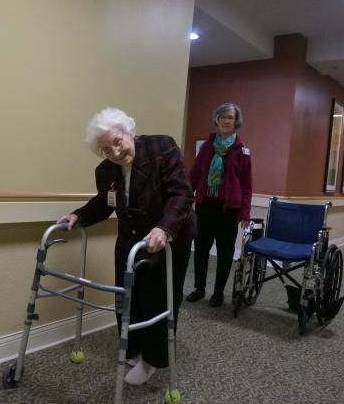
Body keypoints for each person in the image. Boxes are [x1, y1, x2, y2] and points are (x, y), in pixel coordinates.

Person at [57, 107, 197, 386]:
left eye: (117, 142)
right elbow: (103, 203)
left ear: (129, 131)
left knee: (157, 299)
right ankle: (132, 348)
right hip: (130, 241)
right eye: (106, 149)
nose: (115, 153)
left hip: (168, 237)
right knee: (126, 297)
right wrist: (78, 216)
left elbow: (182, 194)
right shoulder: (105, 170)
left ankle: (152, 360)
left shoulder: (161, 147)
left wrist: (163, 228)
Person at [185, 103, 252, 307]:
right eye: (222, 116)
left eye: (230, 117)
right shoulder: (207, 146)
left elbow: (247, 183)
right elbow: (195, 174)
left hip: (228, 209)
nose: (226, 120)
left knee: (225, 252)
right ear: (217, 119)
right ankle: (199, 288)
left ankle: (218, 293)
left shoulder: (242, 150)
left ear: (235, 122)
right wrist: (185, 201)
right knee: (201, 247)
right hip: (205, 205)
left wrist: (245, 213)